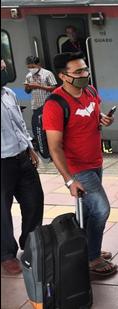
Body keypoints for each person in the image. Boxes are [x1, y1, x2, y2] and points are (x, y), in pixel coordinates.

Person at [43, 52, 117, 277]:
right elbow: (55, 147)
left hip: (95, 161)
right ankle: (91, 257)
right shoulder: (55, 104)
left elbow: (92, 115)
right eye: (78, 72)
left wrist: (104, 118)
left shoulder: (91, 91)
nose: (84, 75)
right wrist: (69, 180)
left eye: (85, 70)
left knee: (87, 211)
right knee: (102, 209)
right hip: (77, 167)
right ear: (62, 76)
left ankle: (87, 247)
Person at [1, 59, 44, 275]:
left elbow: (19, 123)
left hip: (21, 157)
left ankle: (30, 243)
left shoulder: (8, 93)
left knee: (34, 200)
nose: (3, 67)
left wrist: (30, 147)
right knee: (2, 210)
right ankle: (6, 254)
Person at [24, 56, 57, 142]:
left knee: (50, 128)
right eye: (29, 67)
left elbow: (54, 88)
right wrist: (28, 87)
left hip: (47, 104)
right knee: (40, 128)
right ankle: (44, 147)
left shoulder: (47, 74)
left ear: (38, 64)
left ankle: (53, 143)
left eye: (33, 67)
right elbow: (27, 91)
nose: (31, 69)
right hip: (36, 106)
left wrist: (38, 86)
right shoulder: (28, 76)